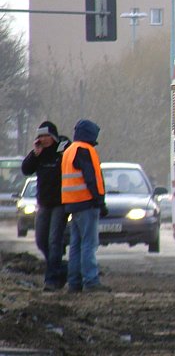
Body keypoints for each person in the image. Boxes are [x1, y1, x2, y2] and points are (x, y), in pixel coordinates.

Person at [61, 119, 111, 293]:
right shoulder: (85, 150)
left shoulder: (69, 151)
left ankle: (74, 282)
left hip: (72, 204)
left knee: (75, 245)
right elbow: (91, 179)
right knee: (89, 244)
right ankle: (91, 281)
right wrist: (100, 202)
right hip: (86, 204)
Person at [21, 121, 69, 292]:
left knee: (54, 241)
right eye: (40, 136)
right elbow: (26, 169)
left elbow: (70, 159)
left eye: (46, 136)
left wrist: (62, 149)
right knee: (41, 240)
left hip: (60, 203)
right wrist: (35, 153)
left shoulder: (63, 148)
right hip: (43, 203)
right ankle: (62, 269)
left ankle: (52, 280)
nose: (43, 139)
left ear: (53, 136)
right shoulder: (39, 153)